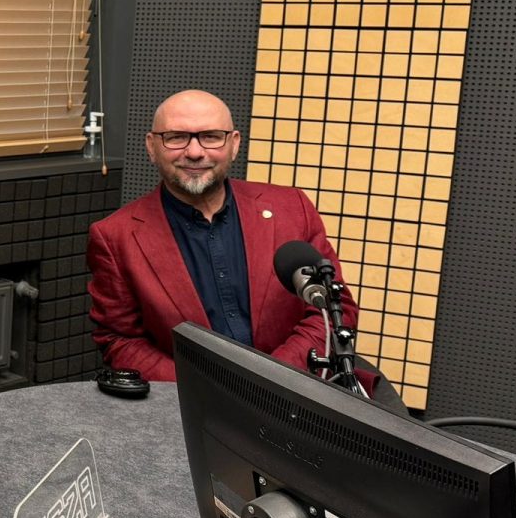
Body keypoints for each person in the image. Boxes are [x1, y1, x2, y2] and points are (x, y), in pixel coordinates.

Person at [87, 89, 366, 388]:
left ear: (234, 144)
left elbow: (332, 310)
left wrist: (272, 379)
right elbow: (121, 340)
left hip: (296, 388)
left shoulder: (292, 209)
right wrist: (211, 388)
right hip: (193, 399)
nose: (195, 152)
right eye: (176, 137)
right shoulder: (115, 237)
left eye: (211, 137)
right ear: (152, 147)